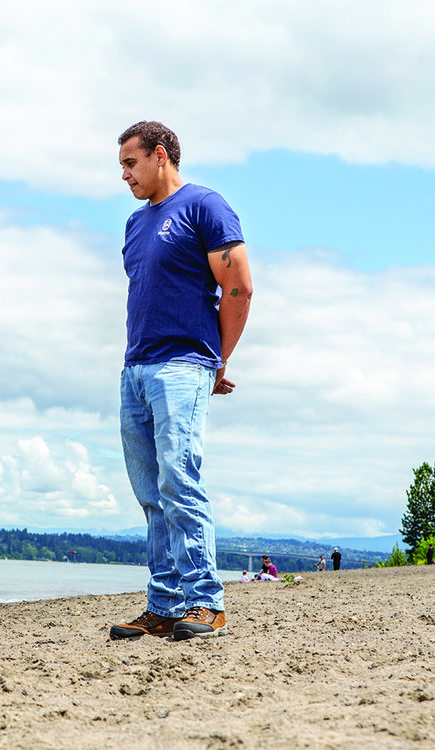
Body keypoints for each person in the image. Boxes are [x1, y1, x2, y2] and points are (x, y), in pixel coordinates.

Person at [108, 121, 253, 642]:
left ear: (160, 156)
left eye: (130, 163)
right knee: (151, 491)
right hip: (136, 368)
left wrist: (217, 360)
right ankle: (165, 604)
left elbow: (238, 287)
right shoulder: (133, 224)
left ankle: (205, 603)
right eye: (121, 165)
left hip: (182, 364)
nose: (124, 174)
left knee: (179, 480)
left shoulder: (204, 206)